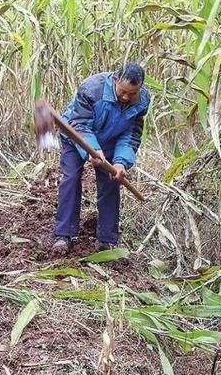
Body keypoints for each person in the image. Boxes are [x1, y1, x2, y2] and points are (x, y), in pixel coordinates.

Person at [52, 63, 150, 256]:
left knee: (111, 182)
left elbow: (131, 134)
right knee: (71, 178)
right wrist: (93, 150)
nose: (126, 97)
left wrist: (121, 161)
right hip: (76, 136)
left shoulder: (142, 101)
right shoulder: (91, 89)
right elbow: (80, 124)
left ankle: (107, 239)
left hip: (110, 142)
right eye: (123, 92)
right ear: (115, 80)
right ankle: (64, 235)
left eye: (132, 94)